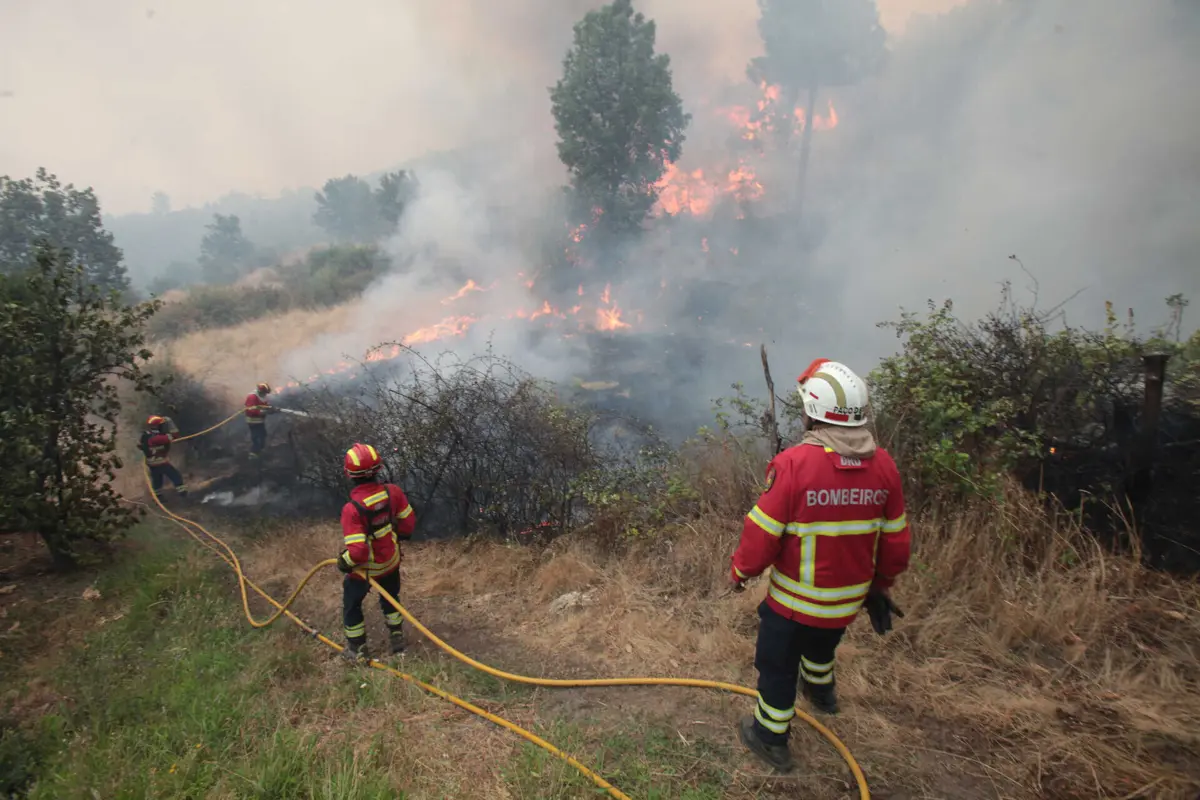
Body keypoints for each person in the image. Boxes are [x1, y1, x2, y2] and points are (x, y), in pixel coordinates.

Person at [730, 358, 911, 772]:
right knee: (822, 645)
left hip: (794, 604)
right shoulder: (884, 466)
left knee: (777, 665)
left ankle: (770, 737)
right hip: (847, 602)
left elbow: (761, 536)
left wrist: (740, 573)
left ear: (812, 411)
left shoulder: (794, 465)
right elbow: (897, 540)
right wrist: (880, 586)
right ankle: (822, 693)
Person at [336, 442, 417, 663]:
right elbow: (408, 523)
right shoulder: (393, 492)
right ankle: (397, 638)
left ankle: (357, 650)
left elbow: (359, 552)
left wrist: (344, 561)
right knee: (391, 599)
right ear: (378, 469)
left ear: (349, 474)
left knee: (352, 605)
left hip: (365, 570)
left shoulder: (352, 509)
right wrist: (398, 537)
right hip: (391, 562)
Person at [138, 415, 188, 499]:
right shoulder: (158, 438)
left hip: (151, 462)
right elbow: (175, 435)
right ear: (158, 426)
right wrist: (170, 422)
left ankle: (158, 497)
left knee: (157, 480)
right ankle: (183, 494)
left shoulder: (146, 435)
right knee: (176, 476)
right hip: (160, 462)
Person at [243, 382, 275, 458]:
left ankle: (259, 452)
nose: (266, 394)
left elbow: (263, 406)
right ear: (261, 391)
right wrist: (264, 412)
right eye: (265, 392)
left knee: (263, 435)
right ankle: (253, 454)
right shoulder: (252, 396)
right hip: (253, 421)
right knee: (256, 438)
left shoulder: (262, 396)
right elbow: (250, 410)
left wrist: (270, 409)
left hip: (260, 421)